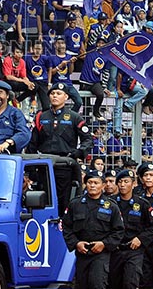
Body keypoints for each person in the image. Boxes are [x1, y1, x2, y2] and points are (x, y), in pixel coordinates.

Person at [26, 82, 93, 215]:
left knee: (63, 201)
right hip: (44, 164)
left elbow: (88, 140)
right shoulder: (41, 116)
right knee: (42, 200)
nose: (55, 96)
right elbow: (32, 143)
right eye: (52, 93)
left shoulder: (74, 117)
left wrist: (78, 152)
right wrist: (31, 168)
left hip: (64, 165)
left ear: (66, 97)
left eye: (59, 93)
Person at [62, 170, 125, 289]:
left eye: (96, 183)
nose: (92, 185)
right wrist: (76, 243)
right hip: (82, 252)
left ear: (103, 185)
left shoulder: (111, 206)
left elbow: (119, 230)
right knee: (81, 284)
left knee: (97, 283)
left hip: (101, 253)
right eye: (90, 182)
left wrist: (104, 244)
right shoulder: (75, 204)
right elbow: (66, 226)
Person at [111, 169, 153, 289]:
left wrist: (141, 239)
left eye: (126, 181)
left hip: (133, 250)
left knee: (131, 282)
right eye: (120, 181)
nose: (122, 185)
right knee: (113, 283)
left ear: (134, 184)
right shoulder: (110, 202)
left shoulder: (142, 203)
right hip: (115, 249)